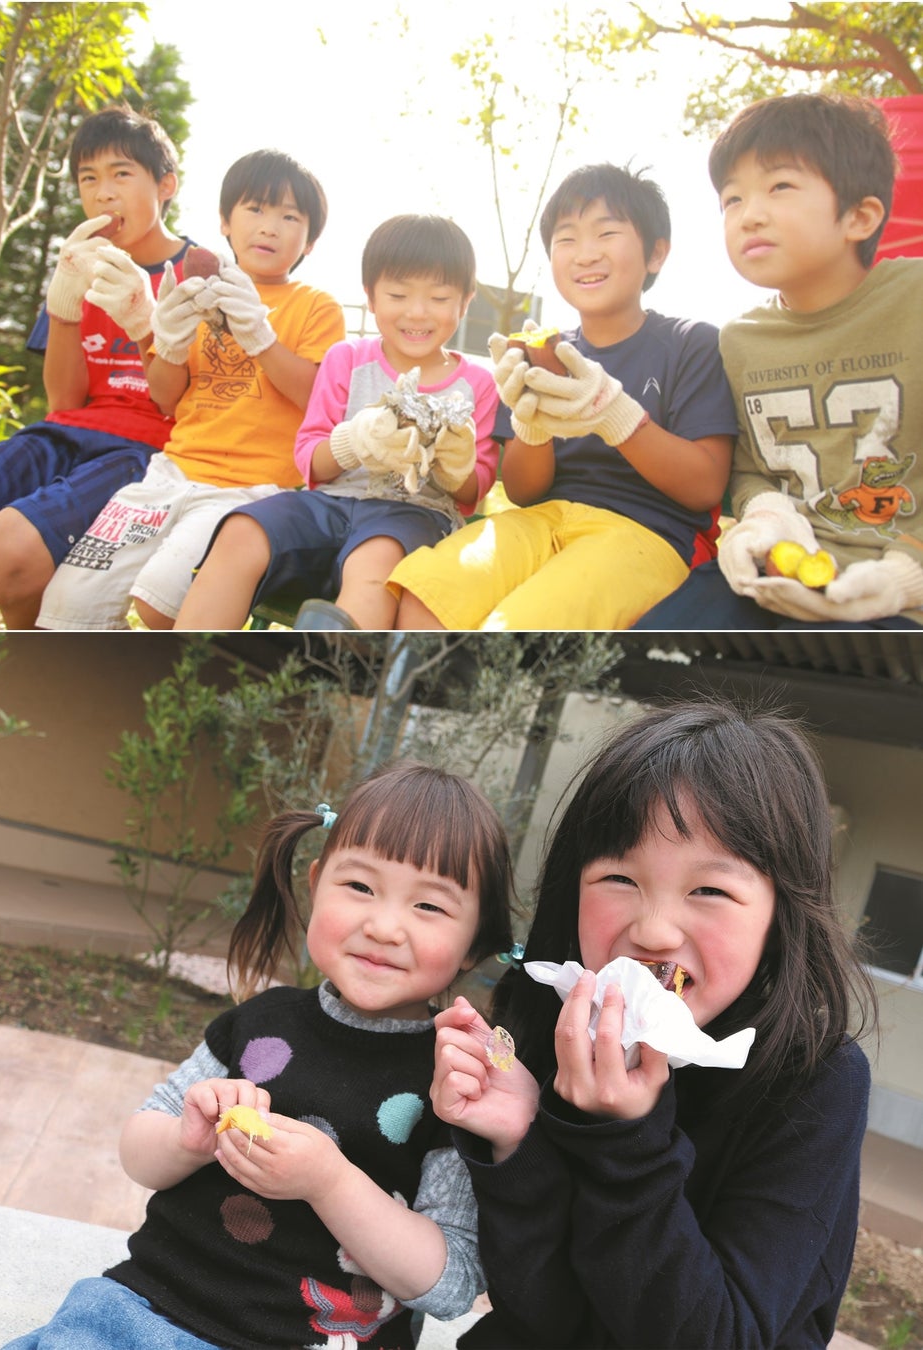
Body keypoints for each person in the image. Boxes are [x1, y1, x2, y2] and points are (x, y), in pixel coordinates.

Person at [7, 761, 516, 1349]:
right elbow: (139, 1155)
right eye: (360, 887)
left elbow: (452, 1283)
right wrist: (185, 1138)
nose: (384, 926)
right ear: (317, 881)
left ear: (475, 943)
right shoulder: (260, 1021)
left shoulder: (453, 1080)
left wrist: (329, 1182)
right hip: (143, 1311)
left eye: (429, 907)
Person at [430, 702, 876, 1348]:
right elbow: (539, 1316)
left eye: (710, 891)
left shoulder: (814, 1081)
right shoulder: (558, 1029)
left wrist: (627, 1140)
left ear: (780, 917)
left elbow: (719, 1336)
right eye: (618, 878)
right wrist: (517, 1141)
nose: (653, 931)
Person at [390, 165, 740, 630]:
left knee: (518, 621)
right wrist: (531, 423)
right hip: (539, 522)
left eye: (607, 233)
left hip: (646, 536)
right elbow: (522, 492)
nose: (585, 254)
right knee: (428, 594)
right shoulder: (537, 351)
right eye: (566, 239)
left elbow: (705, 486)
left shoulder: (689, 343)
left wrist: (611, 413)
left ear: (656, 253)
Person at [637, 93, 923, 630]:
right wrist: (763, 520)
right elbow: (746, 472)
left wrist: (903, 580)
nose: (750, 216)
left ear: (859, 216)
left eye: (780, 187)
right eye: (732, 200)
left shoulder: (915, 300)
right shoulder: (739, 341)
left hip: (897, 597)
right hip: (773, 581)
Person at [35, 149, 346, 630]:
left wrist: (260, 336)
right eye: (255, 209)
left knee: (161, 600)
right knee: (70, 600)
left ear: (309, 241)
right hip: (171, 472)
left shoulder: (316, 306)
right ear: (224, 221)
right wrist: (168, 340)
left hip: (254, 489)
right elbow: (166, 396)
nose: (269, 227)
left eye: (289, 217)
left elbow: (316, 397)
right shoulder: (193, 290)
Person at [176, 215, 503, 631]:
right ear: (370, 297)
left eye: (439, 299)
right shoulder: (346, 361)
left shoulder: (477, 384)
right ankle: (185, 671)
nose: (417, 313)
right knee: (242, 528)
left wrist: (452, 464)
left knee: (377, 557)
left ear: (466, 300)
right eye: (398, 295)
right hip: (328, 504)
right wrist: (356, 441)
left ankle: (330, 674)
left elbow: (474, 491)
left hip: (412, 516)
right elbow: (310, 460)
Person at [0, 106, 193, 629]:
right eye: (88, 178)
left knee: (12, 551)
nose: (103, 193)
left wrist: (147, 321)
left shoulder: (198, 276)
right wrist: (64, 306)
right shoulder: (81, 267)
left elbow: (185, 403)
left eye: (122, 174)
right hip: (68, 434)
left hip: (146, 449)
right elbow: (64, 404)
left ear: (166, 184)